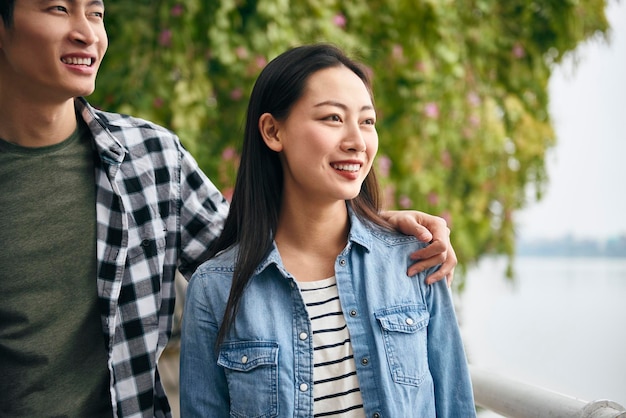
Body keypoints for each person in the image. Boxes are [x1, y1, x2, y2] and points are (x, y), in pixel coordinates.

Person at [0, 2, 458, 417]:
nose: (87, 33)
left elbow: (261, 255)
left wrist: (377, 227)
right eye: (58, 8)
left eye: (96, 13)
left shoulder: (151, 159)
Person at [180, 43, 476, 417]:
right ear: (273, 131)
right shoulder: (214, 288)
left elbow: (455, 406)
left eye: (366, 121)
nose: (356, 142)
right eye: (333, 118)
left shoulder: (415, 259)